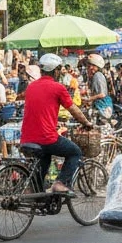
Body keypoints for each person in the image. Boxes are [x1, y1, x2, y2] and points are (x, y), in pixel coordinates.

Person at [21, 53, 94, 192]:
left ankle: (35, 191)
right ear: (56, 71)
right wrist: (86, 123)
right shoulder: (58, 88)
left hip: (27, 137)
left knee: (45, 159)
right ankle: (61, 183)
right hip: (46, 138)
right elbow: (73, 109)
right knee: (75, 152)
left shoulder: (31, 87)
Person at [83, 53, 114, 120]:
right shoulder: (97, 75)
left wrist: (89, 99)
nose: (87, 68)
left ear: (93, 67)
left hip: (103, 107)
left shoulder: (97, 75)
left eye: (88, 66)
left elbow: (102, 94)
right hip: (102, 107)